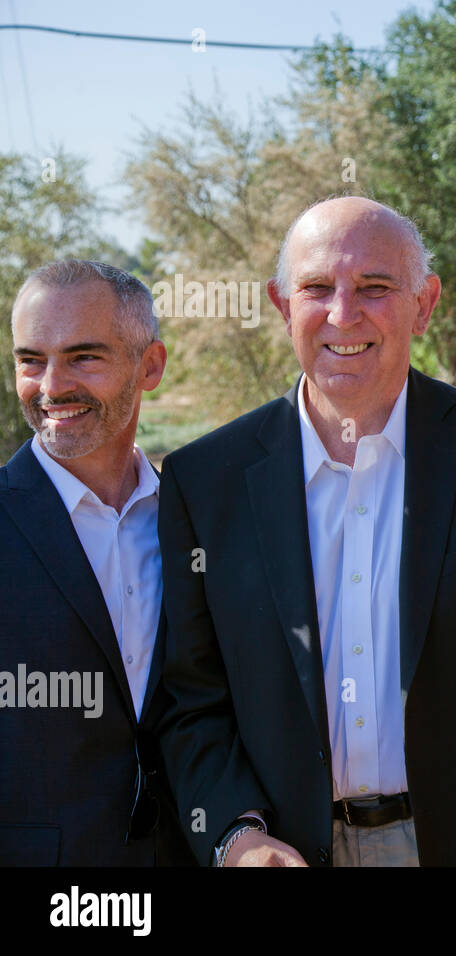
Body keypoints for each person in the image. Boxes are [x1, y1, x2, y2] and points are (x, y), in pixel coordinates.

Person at [156, 197, 456, 866]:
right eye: (317, 288)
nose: (343, 313)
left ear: (424, 302)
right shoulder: (204, 482)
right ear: (282, 303)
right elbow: (191, 701)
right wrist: (236, 835)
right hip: (289, 850)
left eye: (374, 288)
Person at [1, 260, 191, 865]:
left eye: (84, 357)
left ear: (150, 365)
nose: (52, 386)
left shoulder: (195, 519)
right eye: (31, 360)